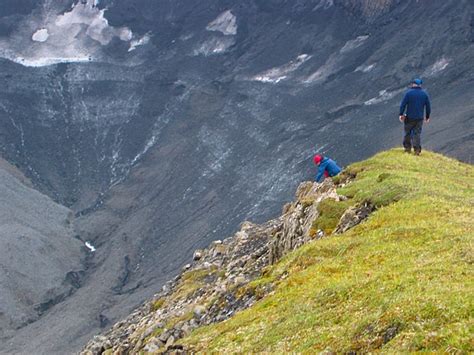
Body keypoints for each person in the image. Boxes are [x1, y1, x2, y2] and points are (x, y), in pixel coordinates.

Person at [399, 78, 431, 155]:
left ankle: (407, 148)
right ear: (420, 85)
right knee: (417, 133)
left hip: (409, 117)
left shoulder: (408, 94)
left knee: (408, 133)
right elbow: (428, 107)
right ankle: (417, 150)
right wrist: (427, 116)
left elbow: (403, 105)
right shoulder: (424, 94)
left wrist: (401, 114)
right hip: (419, 118)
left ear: (413, 84)